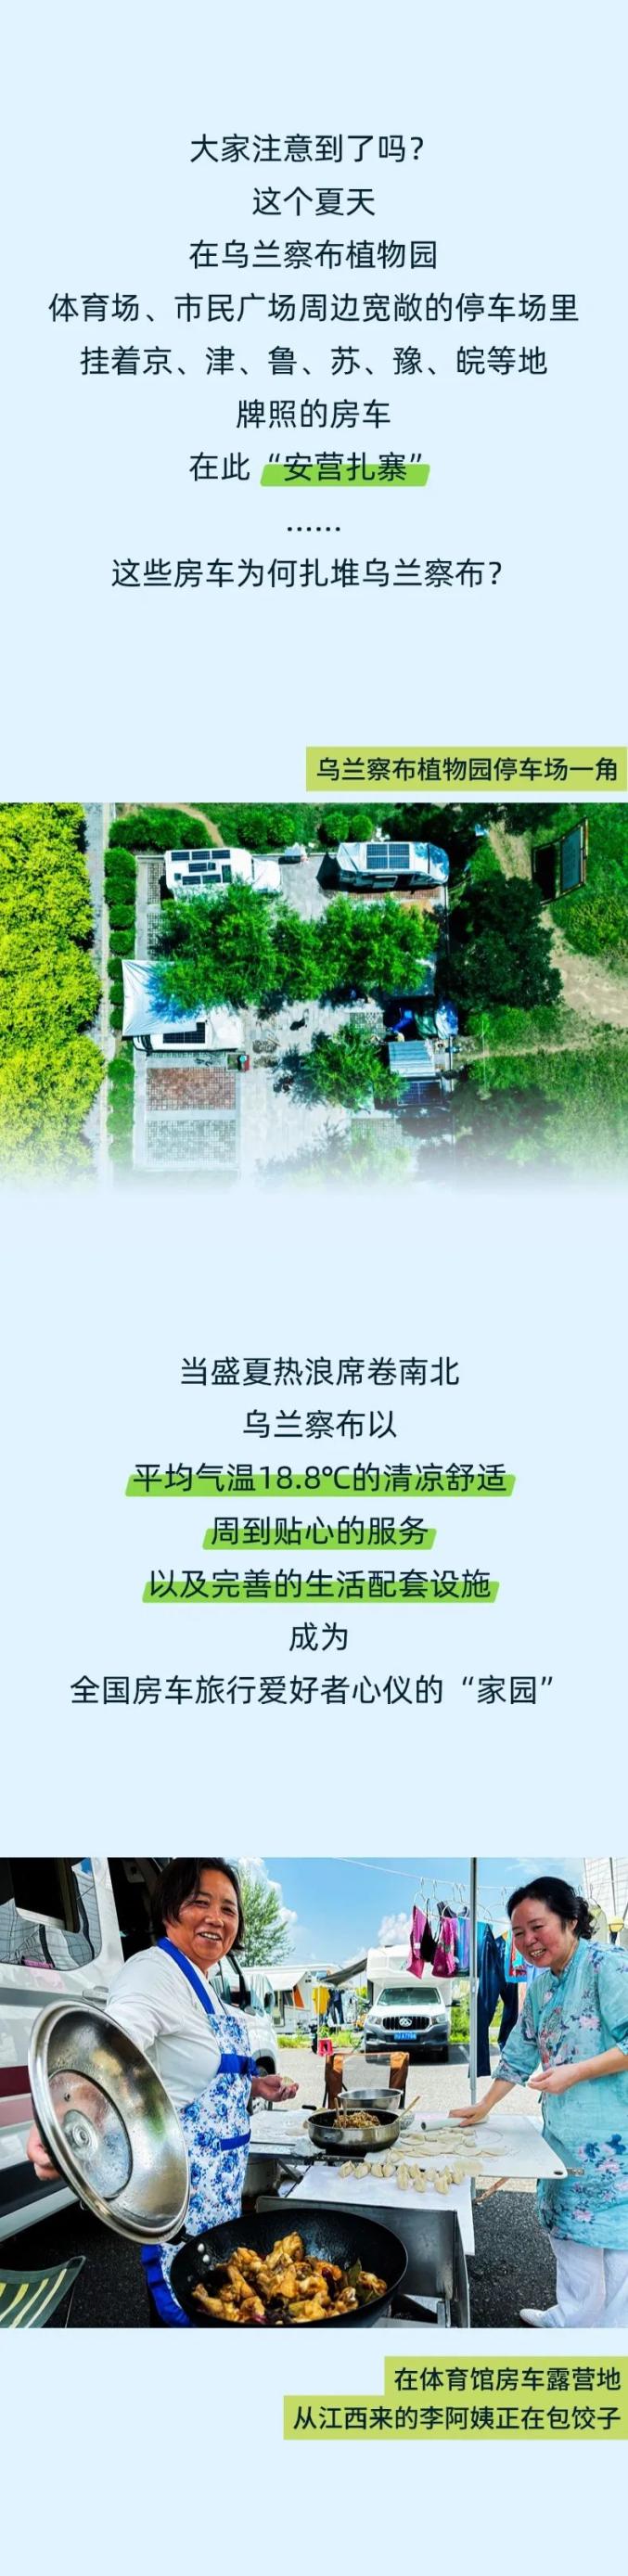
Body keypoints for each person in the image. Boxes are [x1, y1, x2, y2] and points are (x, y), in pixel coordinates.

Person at [27, 1857, 298, 2326]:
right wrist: (58, 2121)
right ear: (170, 1909)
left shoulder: (205, 1986)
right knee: (189, 2313)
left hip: (219, 2198)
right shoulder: (152, 1973)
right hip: (183, 2199)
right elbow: (110, 2053)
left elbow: (188, 2070)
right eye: (200, 1902)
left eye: (228, 1909)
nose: (216, 1918)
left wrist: (254, 2084)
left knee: (224, 2305)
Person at [451, 1875, 628, 2327]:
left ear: (571, 1921)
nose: (528, 1941)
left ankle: (608, 2343)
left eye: (537, 1927)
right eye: (518, 1932)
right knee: (571, 2241)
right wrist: (485, 2106)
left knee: (618, 2256)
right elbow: (519, 2051)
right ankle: (569, 2320)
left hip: (616, 2145)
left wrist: (576, 2072)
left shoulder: (608, 1966)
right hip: (564, 2139)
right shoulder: (542, 1985)